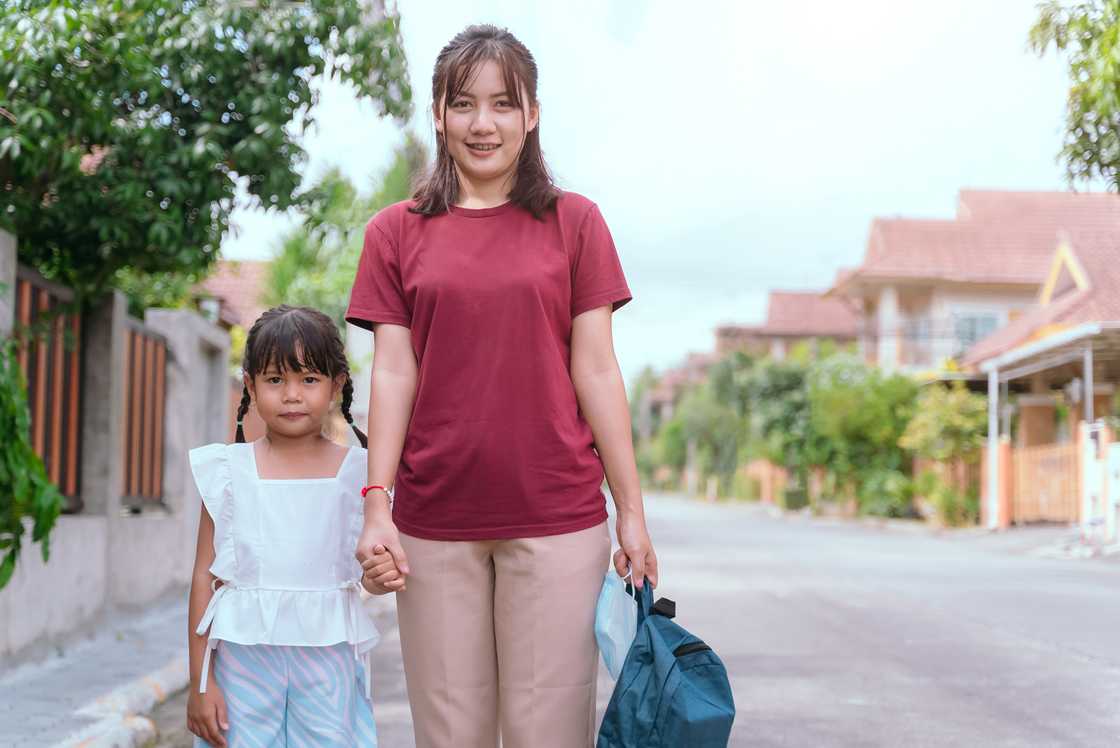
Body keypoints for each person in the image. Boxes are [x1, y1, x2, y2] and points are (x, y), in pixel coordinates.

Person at [346, 24, 659, 748]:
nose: (482, 124)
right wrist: (376, 506)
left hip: (558, 518)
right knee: (450, 732)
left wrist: (632, 511)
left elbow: (597, 369)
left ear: (532, 114)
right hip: (431, 523)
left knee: (545, 732)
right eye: (463, 105)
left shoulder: (575, 223)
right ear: (438, 114)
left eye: (503, 105)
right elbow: (393, 371)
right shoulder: (394, 233)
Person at [185, 305, 392, 747]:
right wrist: (200, 683)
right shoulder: (226, 471)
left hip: (329, 655)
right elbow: (205, 577)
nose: (292, 394)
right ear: (250, 386)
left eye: (309, 379)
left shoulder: (362, 475)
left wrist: (382, 576)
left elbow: (376, 571)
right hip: (241, 658)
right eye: (276, 379)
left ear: (336, 385)